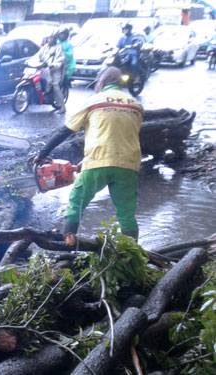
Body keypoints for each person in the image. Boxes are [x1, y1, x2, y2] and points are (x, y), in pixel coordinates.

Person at [33, 67, 143, 245]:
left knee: (76, 202)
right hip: (129, 165)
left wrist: (43, 153)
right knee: (126, 213)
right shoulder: (135, 105)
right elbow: (118, 138)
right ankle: (132, 254)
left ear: (101, 82)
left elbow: (65, 130)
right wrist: (84, 162)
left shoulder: (94, 101)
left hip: (98, 162)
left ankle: (65, 251)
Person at [33, 30, 66, 114]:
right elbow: (37, 56)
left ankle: (62, 106)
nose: (49, 40)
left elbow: (61, 59)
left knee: (55, 86)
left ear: (54, 39)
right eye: (48, 38)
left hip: (55, 70)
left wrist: (53, 65)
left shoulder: (58, 47)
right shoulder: (44, 48)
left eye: (51, 38)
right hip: (44, 69)